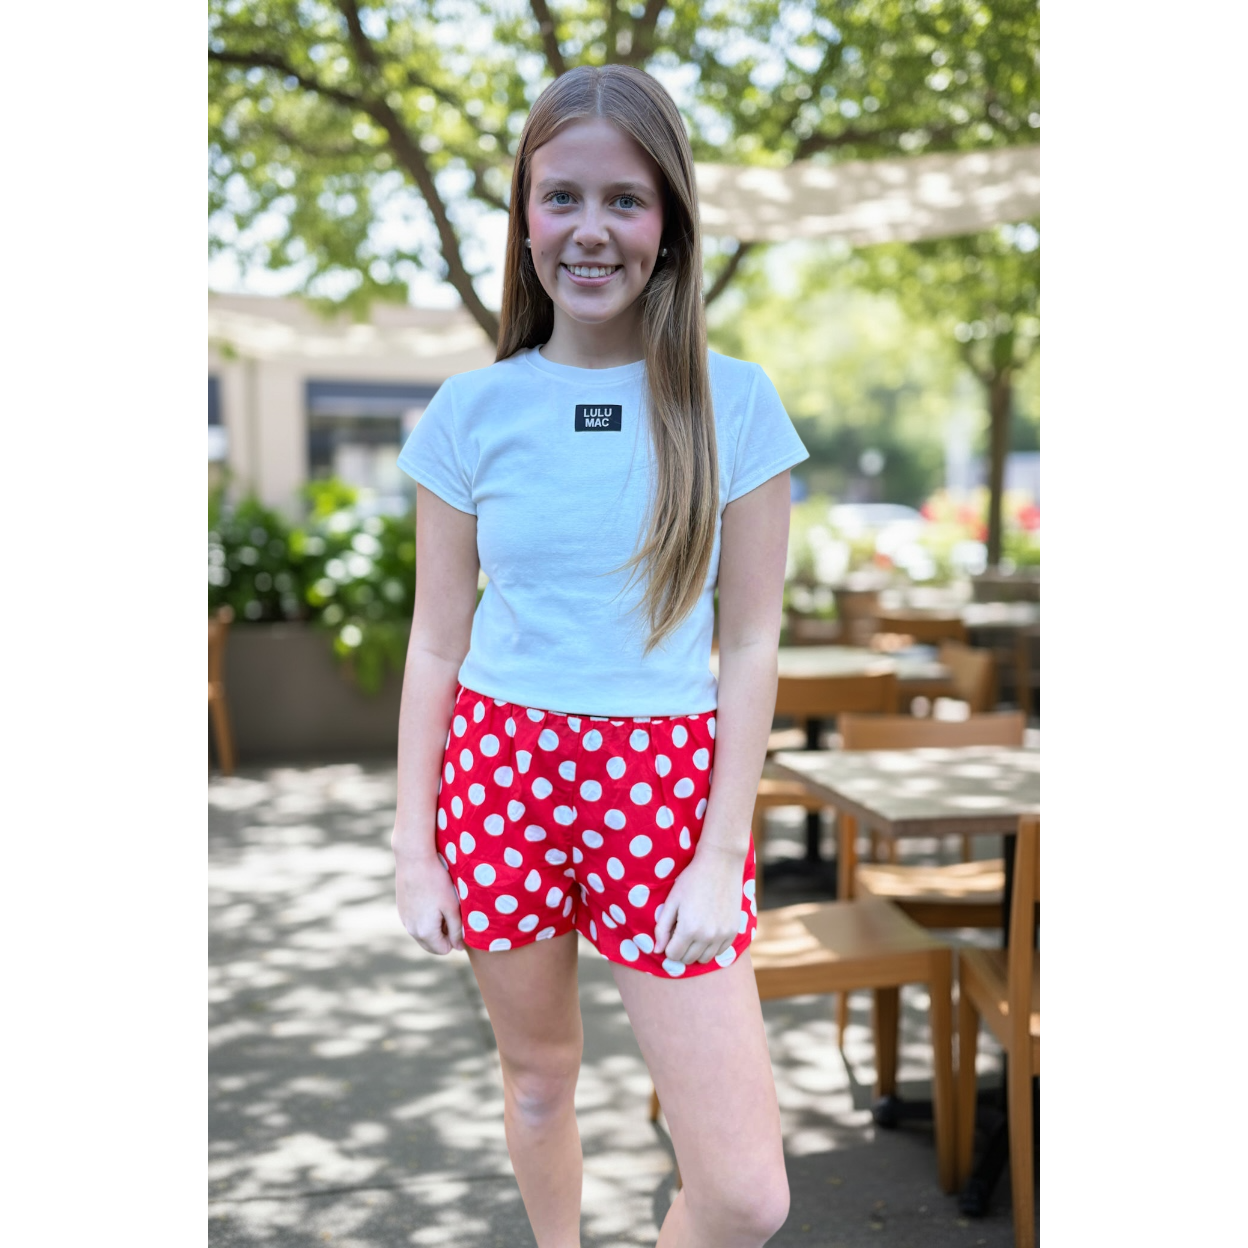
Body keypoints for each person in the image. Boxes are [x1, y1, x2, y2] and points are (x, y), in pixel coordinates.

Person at [391, 63, 809, 1248]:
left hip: (670, 792)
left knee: (741, 1191)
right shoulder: (469, 414)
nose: (591, 230)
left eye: (625, 200)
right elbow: (437, 640)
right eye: (561, 197)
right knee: (538, 1081)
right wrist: (413, 846)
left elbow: (752, 639)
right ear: (524, 218)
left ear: (668, 221)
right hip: (501, 773)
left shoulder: (736, 406)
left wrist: (722, 851)